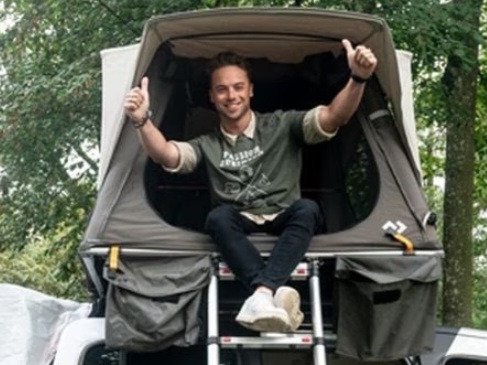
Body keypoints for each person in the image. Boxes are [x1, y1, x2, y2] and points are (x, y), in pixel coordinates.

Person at [124, 39, 378, 333]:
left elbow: (334, 117)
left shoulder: (283, 124)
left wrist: (358, 78)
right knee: (217, 218)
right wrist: (142, 121)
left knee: (308, 209)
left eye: (238, 87)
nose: (231, 95)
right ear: (212, 96)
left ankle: (261, 293)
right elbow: (167, 155)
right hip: (238, 220)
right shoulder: (207, 143)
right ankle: (270, 292)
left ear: (251, 90)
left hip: (284, 215)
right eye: (222, 89)